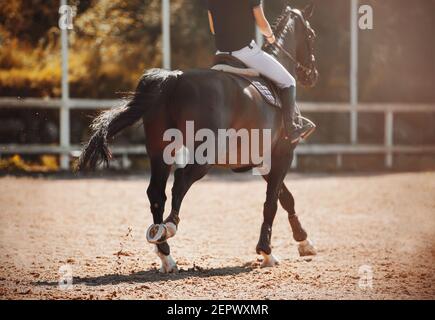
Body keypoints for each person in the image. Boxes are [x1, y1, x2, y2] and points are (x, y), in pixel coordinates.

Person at [206, 0, 315, 143]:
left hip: (220, 53)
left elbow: (214, 28)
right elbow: (262, 24)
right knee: (289, 81)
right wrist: (270, 37)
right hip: (245, 52)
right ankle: (291, 129)